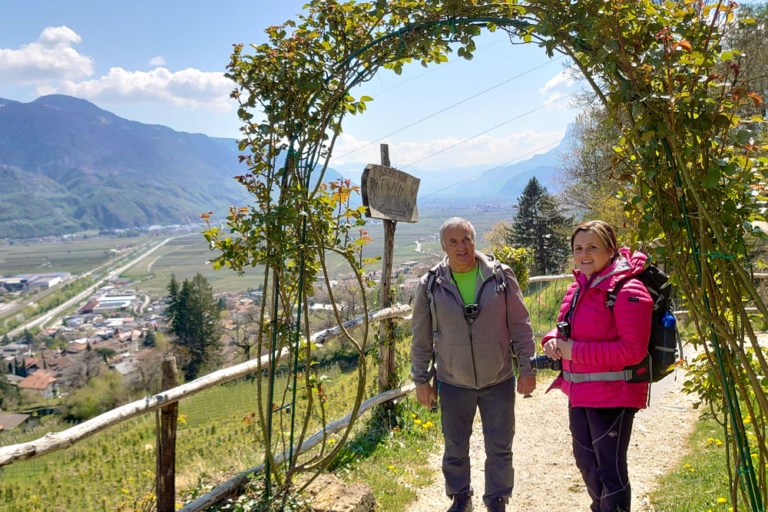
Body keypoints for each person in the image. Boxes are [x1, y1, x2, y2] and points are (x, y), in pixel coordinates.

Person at [411, 217, 537, 512]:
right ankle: (460, 496)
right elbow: (420, 337)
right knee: (454, 447)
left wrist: (527, 369)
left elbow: (520, 325)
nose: (461, 246)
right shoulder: (430, 284)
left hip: (499, 378)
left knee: (500, 446)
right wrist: (421, 381)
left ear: (475, 241)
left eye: (466, 239)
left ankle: (496, 498)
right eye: (453, 241)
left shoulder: (501, 276)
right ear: (443, 247)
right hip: (453, 381)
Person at [541, 220, 654, 512]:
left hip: (613, 393)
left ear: (610, 249)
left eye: (592, 247)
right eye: (578, 248)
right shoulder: (577, 287)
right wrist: (552, 341)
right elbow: (563, 328)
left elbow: (632, 350)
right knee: (586, 463)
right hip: (580, 391)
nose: (584, 254)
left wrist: (574, 351)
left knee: (610, 470)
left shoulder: (630, 289)